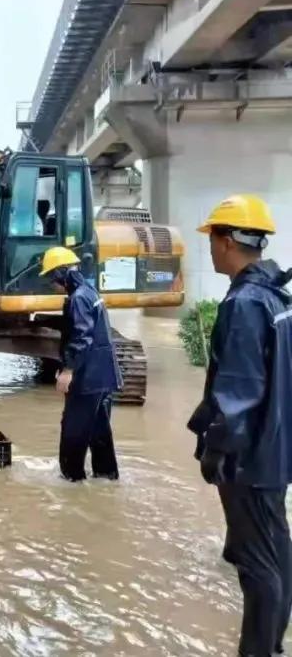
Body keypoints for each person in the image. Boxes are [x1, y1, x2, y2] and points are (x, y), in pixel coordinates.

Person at [188, 194, 292, 657]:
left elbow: (239, 389)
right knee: (276, 549)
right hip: (275, 447)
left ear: (227, 241)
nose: (209, 249)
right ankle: (272, 644)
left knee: (255, 565)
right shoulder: (276, 298)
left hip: (249, 455)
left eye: (212, 238)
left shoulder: (246, 303)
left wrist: (216, 450)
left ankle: (259, 651)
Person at [40, 246, 120, 482]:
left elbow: (81, 337)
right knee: (99, 433)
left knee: (73, 432)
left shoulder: (78, 298)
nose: (51, 285)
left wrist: (67, 370)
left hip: (87, 378)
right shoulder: (89, 291)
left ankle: (71, 482)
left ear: (61, 274)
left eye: (50, 278)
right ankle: (106, 479)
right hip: (102, 376)